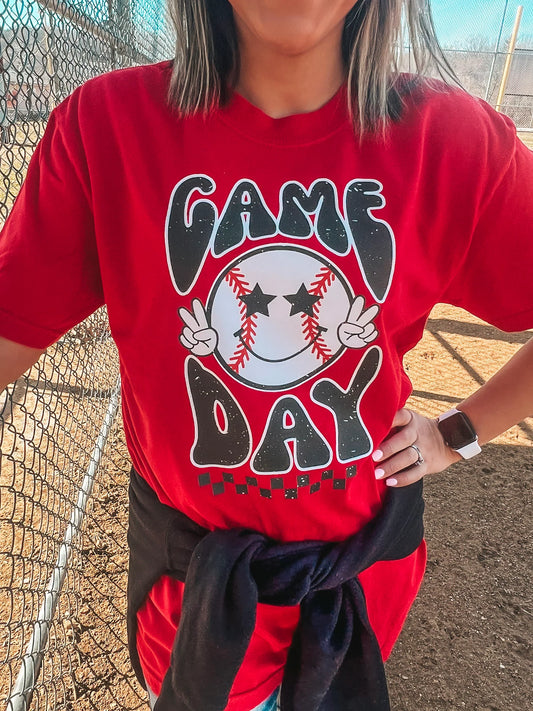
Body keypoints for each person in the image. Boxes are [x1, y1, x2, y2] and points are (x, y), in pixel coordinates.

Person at [0, 1, 532, 710]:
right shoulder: (107, 128)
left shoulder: (453, 140)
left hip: (361, 580)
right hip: (195, 596)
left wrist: (456, 433)